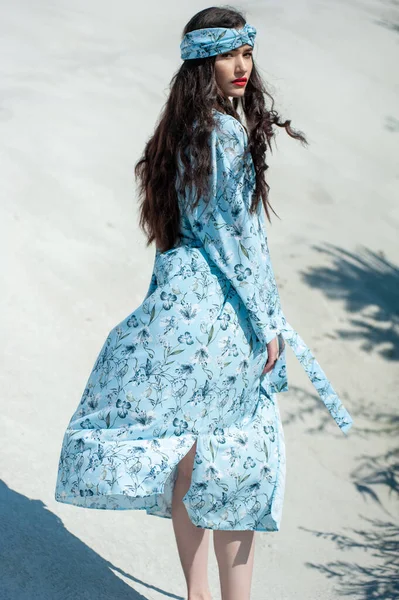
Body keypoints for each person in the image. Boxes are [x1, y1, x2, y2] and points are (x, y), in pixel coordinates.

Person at [54, 7, 354, 600]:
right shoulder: (225, 131)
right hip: (222, 313)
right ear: (202, 61)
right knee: (241, 459)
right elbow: (238, 241)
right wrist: (269, 324)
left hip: (177, 303)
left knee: (191, 453)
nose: (242, 66)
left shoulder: (177, 132)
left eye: (247, 53)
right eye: (227, 54)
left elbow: (178, 235)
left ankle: (197, 594)